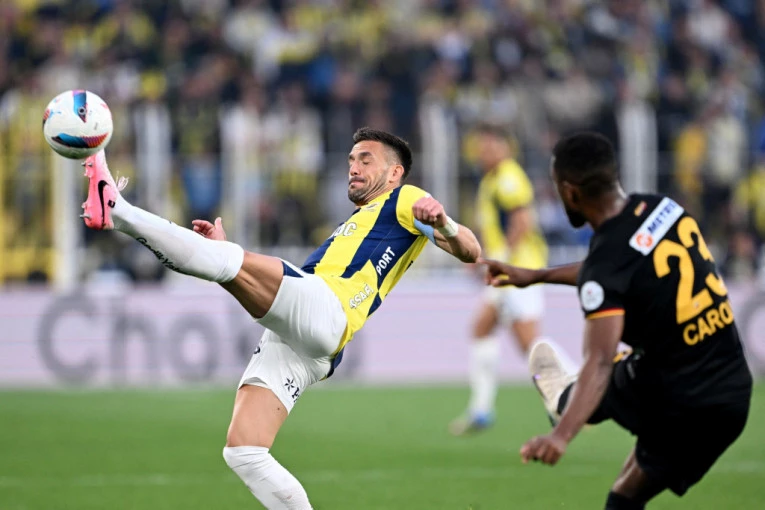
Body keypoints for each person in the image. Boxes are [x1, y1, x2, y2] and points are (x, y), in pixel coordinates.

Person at [79, 127, 481, 509]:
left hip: (328, 309)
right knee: (244, 451)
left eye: (365, 160)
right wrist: (224, 259)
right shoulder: (361, 220)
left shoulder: (406, 198)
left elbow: (471, 251)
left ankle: (117, 209)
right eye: (350, 160)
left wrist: (443, 222)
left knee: (227, 262)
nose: (353, 168)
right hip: (310, 344)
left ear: (394, 173)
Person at [480, 132, 752, 509]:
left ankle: (566, 398)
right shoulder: (663, 208)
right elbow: (618, 268)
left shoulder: (607, 265)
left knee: (611, 374)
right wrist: (538, 275)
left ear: (570, 192)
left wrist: (561, 436)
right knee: (623, 497)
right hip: (733, 389)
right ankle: (577, 399)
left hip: (681, 401)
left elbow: (600, 359)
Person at [449, 124, 565, 436]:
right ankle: (481, 409)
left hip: (519, 271)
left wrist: (499, 260)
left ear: (506, 148)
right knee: (482, 328)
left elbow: (522, 223)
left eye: (491, 146)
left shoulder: (510, 178)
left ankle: (569, 395)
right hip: (509, 270)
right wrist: (479, 257)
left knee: (529, 342)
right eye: (481, 147)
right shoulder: (492, 180)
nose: (484, 152)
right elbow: (492, 226)